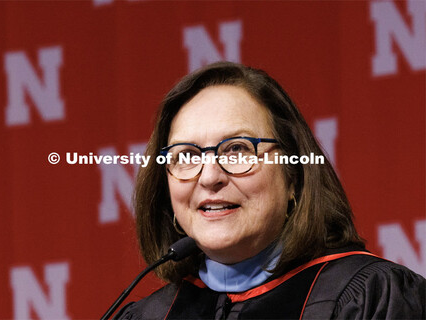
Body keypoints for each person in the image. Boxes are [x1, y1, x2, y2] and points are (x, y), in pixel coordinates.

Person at [114, 62, 425, 319]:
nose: (209, 177)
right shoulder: (147, 315)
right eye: (187, 156)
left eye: (237, 149)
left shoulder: (367, 297)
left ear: (293, 177)